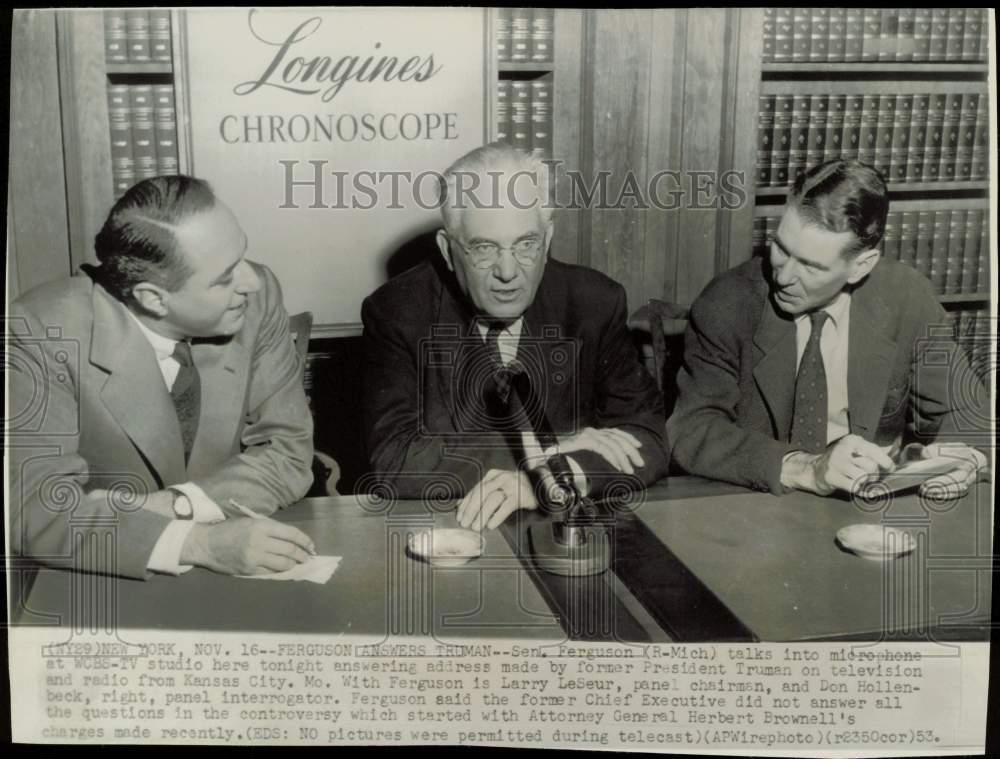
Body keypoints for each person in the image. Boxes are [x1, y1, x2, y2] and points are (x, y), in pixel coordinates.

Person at [8, 176, 316, 579]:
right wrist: (197, 542)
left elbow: (288, 451)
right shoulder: (40, 330)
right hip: (100, 580)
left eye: (243, 255)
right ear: (153, 297)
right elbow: (32, 508)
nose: (252, 281)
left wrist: (178, 505)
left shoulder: (256, 299)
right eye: (224, 278)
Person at [362, 143, 669, 529]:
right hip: (452, 528)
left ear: (548, 238)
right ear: (447, 250)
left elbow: (649, 438)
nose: (508, 272)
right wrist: (557, 450)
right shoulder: (398, 312)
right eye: (484, 248)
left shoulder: (594, 302)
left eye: (526, 244)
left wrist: (552, 477)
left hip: (566, 526)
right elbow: (394, 460)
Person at [666, 159, 989, 498]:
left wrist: (963, 458)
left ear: (859, 267)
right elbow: (691, 429)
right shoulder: (728, 302)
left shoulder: (906, 298)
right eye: (781, 248)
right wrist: (806, 467)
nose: (784, 275)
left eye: (811, 265)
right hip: (761, 506)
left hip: (870, 512)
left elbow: (968, 411)